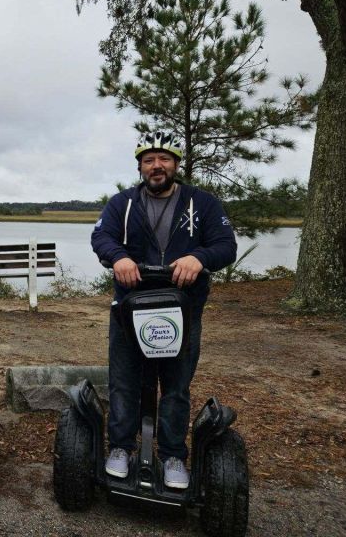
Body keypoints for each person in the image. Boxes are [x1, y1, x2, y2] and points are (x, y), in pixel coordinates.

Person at [91, 130, 237, 490]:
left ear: (175, 164)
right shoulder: (122, 204)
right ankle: (122, 448)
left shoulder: (202, 204)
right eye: (149, 160)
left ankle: (173, 454)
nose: (157, 166)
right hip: (129, 305)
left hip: (182, 309)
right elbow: (101, 237)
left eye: (164, 159)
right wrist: (119, 256)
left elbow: (226, 246)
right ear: (140, 167)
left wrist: (198, 257)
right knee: (124, 381)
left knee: (175, 386)